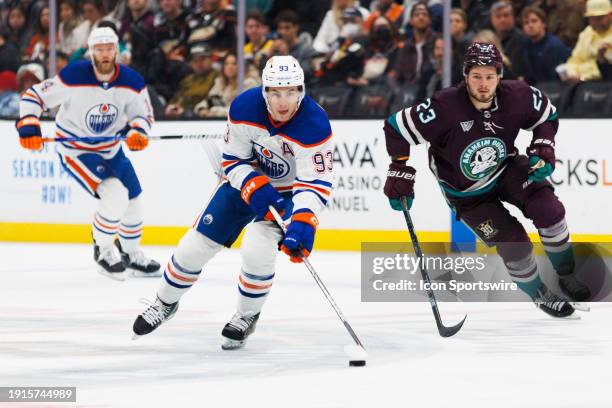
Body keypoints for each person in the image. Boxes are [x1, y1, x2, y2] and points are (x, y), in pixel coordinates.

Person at [132, 55, 334, 350]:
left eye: (290, 92)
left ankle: (246, 315)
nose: (283, 102)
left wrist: (304, 221)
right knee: (193, 247)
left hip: (288, 194)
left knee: (257, 247)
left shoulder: (315, 123)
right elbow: (233, 159)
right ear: (264, 90)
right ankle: (164, 303)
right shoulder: (244, 107)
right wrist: (252, 182)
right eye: (276, 92)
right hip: (245, 183)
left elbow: (314, 183)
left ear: (301, 91)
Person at [382, 42, 590, 319]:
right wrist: (399, 169)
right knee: (515, 245)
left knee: (549, 211)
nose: (483, 84)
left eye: (490, 76)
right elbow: (395, 128)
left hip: (507, 169)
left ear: (500, 76)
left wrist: (543, 144)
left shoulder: (517, 95)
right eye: (477, 76)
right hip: (467, 194)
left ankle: (567, 275)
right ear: (465, 75)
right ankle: (539, 293)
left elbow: (546, 115)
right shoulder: (444, 106)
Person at [15, 27, 161, 281]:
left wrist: (138, 131)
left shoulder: (133, 81)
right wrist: (29, 124)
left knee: (134, 201)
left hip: (111, 149)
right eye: (99, 49)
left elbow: (143, 115)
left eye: (109, 48)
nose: (104, 54)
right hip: (76, 150)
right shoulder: (74, 76)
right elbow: (34, 96)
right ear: (91, 52)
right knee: (115, 194)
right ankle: (103, 249)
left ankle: (129, 253)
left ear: (117, 50)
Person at [563, 0, 612, 82]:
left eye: (599, 18)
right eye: (592, 19)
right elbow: (575, 59)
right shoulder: (587, 32)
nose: (596, 22)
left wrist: (583, 78)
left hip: (604, 83)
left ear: (610, 15)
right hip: (580, 82)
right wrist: (572, 73)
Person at [521, 6, 571, 84]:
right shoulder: (526, 44)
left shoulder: (554, 46)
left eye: (534, 21)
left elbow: (557, 79)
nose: (530, 25)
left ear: (544, 24)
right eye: (526, 23)